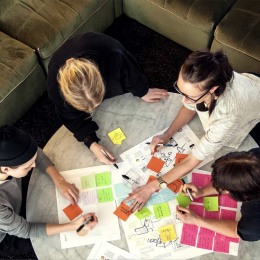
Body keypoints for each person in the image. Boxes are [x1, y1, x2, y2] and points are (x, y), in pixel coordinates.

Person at [124, 50, 260, 211]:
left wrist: (152, 186)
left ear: (213, 89)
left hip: (251, 105)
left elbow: (192, 160)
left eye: (190, 96)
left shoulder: (227, 117)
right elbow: (191, 105)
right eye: (181, 91)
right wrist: (168, 133)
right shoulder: (210, 76)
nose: (183, 100)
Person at [47, 32, 169, 165]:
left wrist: (142, 90)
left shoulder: (113, 54)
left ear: (103, 84)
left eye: (96, 103)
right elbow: (70, 118)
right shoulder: (55, 89)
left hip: (101, 48)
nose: (94, 109)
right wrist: (91, 143)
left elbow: (129, 71)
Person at [0, 125, 98, 256]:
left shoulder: (9, 153)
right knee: (49, 241)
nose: (34, 165)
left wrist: (59, 181)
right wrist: (73, 226)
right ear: (6, 169)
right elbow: (28, 230)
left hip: (12, 204)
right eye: (28, 166)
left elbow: (37, 154)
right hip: (6, 236)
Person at [176, 148, 260, 241]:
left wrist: (196, 220)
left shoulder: (256, 224)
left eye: (225, 190)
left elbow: (236, 231)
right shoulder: (255, 157)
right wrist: (202, 192)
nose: (220, 189)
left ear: (245, 196)